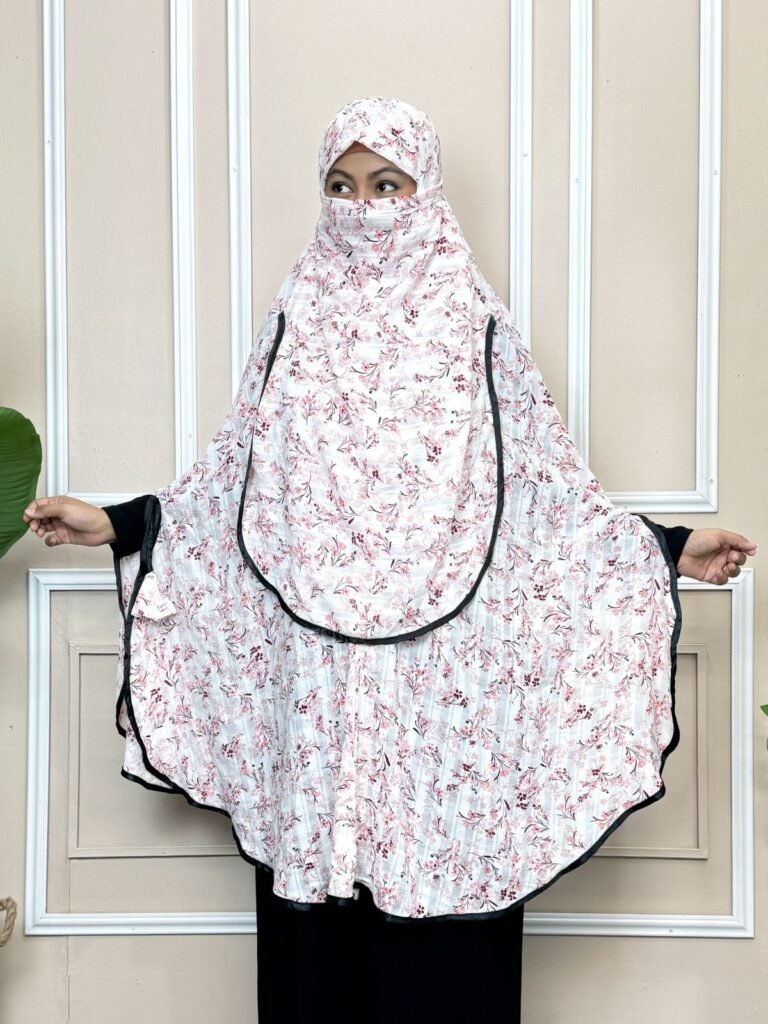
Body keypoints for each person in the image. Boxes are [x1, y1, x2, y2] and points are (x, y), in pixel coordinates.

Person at [24, 98, 755, 1024]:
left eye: (386, 185)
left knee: (446, 916)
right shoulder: (295, 321)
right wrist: (120, 524)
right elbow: (233, 480)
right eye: (341, 186)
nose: (362, 207)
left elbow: (548, 496)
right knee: (319, 945)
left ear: (426, 192)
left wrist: (670, 549)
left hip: (442, 691)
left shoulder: (473, 327)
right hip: (318, 685)